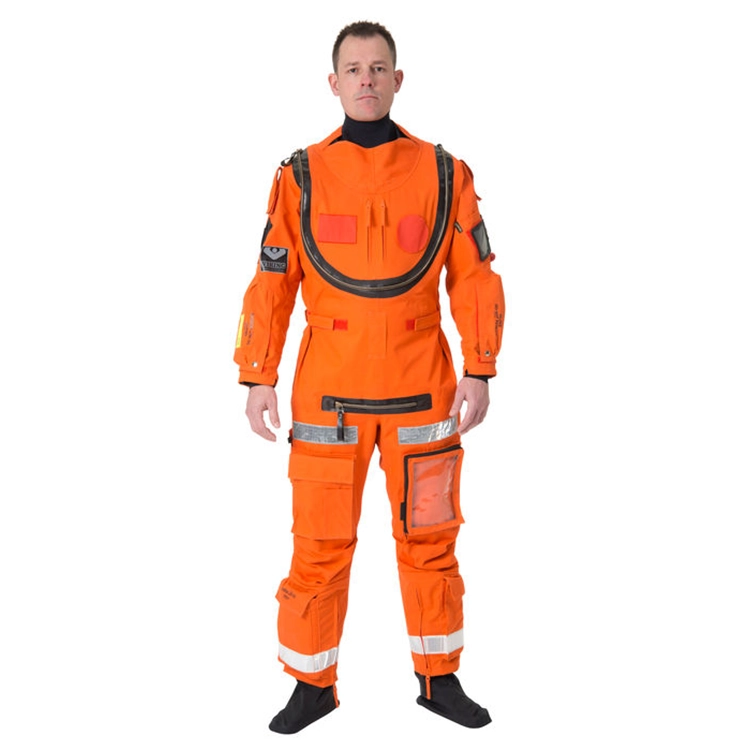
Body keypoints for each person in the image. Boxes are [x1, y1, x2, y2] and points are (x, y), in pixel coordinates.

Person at [234, 20, 505, 733]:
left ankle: (439, 679)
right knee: (318, 549)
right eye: (353, 69)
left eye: (378, 68)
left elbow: (475, 276)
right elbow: (271, 282)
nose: (366, 79)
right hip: (329, 399)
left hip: (424, 393)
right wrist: (257, 375)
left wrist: (480, 367)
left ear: (397, 79)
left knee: (431, 544)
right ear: (333, 83)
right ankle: (311, 687)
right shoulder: (299, 175)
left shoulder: (445, 173)